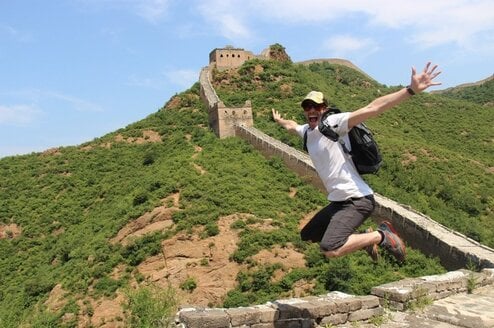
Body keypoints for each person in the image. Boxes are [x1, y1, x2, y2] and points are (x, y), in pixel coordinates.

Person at [272, 62, 441, 263]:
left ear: (323, 108)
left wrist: (410, 90)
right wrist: (279, 121)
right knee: (309, 235)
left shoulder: (334, 123)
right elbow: (292, 126)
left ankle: (382, 236)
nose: (311, 110)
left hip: (357, 200)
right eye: (307, 106)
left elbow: (374, 107)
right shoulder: (307, 132)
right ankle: (365, 238)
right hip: (338, 202)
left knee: (330, 248)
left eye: (316, 106)